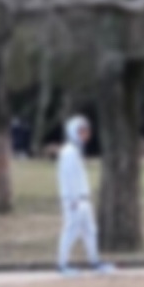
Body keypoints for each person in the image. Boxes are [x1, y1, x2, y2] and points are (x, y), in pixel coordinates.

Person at [56, 115, 113, 276]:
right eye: (81, 131)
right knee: (70, 231)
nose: (86, 134)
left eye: (86, 131)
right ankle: (62, 265)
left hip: (83, 200)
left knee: (90, 231)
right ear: (74, 132)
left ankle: (95, 262)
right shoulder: (68, 152)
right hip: (74, 201)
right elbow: (68, 177)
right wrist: (73, 199)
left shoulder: (76, 151)